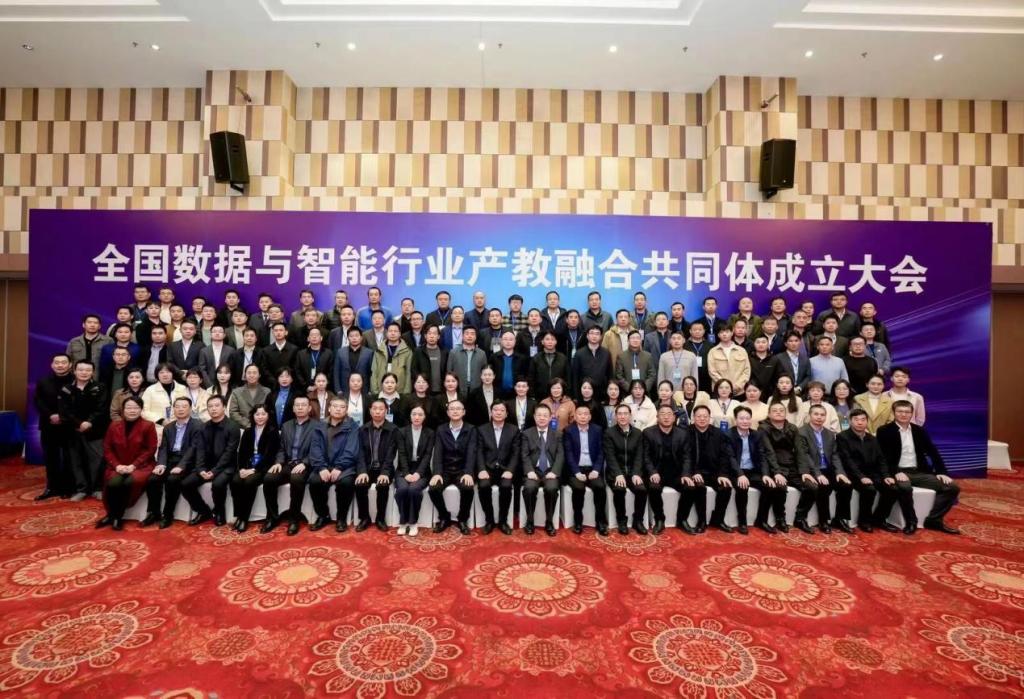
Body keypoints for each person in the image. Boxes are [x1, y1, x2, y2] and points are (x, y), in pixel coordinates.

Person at [876, 401, 960, 534]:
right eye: (900, 411)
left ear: (912, 414)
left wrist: (941, 472)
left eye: (907, 412)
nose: (903, 414)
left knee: (952, 487)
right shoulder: (884, 431)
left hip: (919, 472)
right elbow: (882, 457)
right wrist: (895, 472)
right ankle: (911, 522)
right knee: (905, 488)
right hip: (899, 472)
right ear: (894, 413)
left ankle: (934, 520)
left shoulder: (919, 430)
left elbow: (933, 451)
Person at [836, 408, 908, 533]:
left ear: (867, 421)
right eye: (856, 420)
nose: (860, 422)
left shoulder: (872, 438)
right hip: (853, 474)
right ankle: (864, 521)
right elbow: (847, 460)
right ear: (850, 421)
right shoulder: (842, 437)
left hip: (873, 473)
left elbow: (881, 459)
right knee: (869, 489)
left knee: (893, 488)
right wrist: (861, 477)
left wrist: (886, 475)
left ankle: (879, 519)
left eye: (863, 419)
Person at [95, 396, 157, 530]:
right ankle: (111, 514)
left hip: (141, 466)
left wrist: (134, 465)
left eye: (136, 408)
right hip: (118, 465)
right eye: (129, 408)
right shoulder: (114, 425)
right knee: (113, 483)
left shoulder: (148, 425)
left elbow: (151, 449)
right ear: (123, 410)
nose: (132, 411)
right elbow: (107, 448)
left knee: (129, 482)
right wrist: (117, 465)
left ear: (141, 409)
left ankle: (117, 516)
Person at [180, 394, 240, 527]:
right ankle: (203, 511)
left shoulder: (233, 427)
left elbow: (229, 453)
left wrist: (214, 471)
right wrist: (201, 469)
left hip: (226, 466)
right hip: (206, 466)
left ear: (224, 407)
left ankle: (219, 512)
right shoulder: (203, 427)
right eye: (210, 406)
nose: (213, 409)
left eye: (217, 405)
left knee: (217, 484)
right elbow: (199, 450)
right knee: (185, 484)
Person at [143, 397, 203, 528]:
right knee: (153, 479)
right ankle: (153, 512)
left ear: (190, 409)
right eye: (177, 406)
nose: (180, 409)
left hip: (189, 462)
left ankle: (168, 515)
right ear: (173, 409)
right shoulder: (168, 427)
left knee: (172, 480)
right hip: (171, 460)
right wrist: (161, 464)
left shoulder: (198, 426)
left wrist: (181, 466)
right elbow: (163, 448)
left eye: (184, 406)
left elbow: (193, 448)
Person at [270, 395, 327, 535]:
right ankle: (272, 517)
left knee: (296, 479)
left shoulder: (318, 426)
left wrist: (305, 463)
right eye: (297, 405)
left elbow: (318, 449)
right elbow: (281, 448)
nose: (300, 408)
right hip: (288, 463)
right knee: (269, 478)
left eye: (303, 405)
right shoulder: (286, 425)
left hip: (306, 464)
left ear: (309, 408)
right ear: (293, 408)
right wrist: (278, 462)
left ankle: (294, 520)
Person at [680, 405, 738, 534]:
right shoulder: (686, 433)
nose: (702, 419)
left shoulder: (718, 433)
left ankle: (718, 519)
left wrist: (723, 474)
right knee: (699, 487)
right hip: (695, 472)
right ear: (693, 418)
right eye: (699, 416)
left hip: (714, 472)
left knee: (726, 487)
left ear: (710, 418)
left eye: (705, 416)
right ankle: (702, 521)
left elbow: (725, 456)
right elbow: (685, 456)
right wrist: (694, 472)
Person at [795, 404, 850, 534]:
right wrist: (818, 474)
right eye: (816, 414)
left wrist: (840, 472)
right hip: (810, 470)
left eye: (822, 415)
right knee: (823, 486)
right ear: (810, 415)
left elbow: (835, 455)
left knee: (846, 485)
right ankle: (823, 521)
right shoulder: (801, 432)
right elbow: (805, 455)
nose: (819, 417)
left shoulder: (829, 434)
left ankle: (839, 518)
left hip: (827, 469)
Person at [59, 360, 108, 501]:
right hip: (73, 430)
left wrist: (89, 422)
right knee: (76, 461)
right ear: (74, 371)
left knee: (97, 460)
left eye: (88, 370)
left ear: (93, 372)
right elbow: (64, 410)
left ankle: (97, 488)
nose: (84, 373)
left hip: (95, 431)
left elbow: (102, 408)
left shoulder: (100, 387)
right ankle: (82, 489)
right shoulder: (66, 389)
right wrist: (79, 423)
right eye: (80, 370)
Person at [727, 406, 781, 535]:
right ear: (735, 419)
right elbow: (730, 457)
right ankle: (742, 522)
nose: (745, 421)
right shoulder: (728, 434)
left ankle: (761, 520)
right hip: (736, 471)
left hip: (753, 471)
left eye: (747, 418)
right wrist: (740, 474)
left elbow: (762, 456)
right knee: (742, 487)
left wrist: (766, 475)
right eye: (741, 418)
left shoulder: (756, 435)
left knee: (770, 486)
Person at [429, 400, 476, 534]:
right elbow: (438, 453)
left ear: (464, 412)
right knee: (433, 488)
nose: (455, 411)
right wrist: (437, 473)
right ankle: (444, 517)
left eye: (458, 409)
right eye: (452, 409)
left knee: (468, 488)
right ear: (448, 412)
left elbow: (472, 452)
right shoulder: (441, 429)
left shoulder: (471, 429)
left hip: (462, 470)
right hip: (445, 470)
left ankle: (462, 519)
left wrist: (468, 472)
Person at [353, 399, 398, 532]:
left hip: (384, 468)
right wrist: (362, 471)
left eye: (381, 409)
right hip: (367, 468)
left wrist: (385, 473)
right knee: (360, 484)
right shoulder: (363, 429)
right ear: (370, 411)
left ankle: (380, 518)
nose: (377, 411)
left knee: (383, 485)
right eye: (375, 409)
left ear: (386, 411)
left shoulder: (393, 429)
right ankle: (364, 518)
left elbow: (391, 454)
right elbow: (360, 453)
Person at [642, 404, 688, 535]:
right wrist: (652, 472)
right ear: (657, 417)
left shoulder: (682, 434)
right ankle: (659, 519)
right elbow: (646, 457)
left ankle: (682, 520)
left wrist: (685, 474)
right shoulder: (648, 433)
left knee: (690, 487)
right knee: (653, 488)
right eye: (662, 414)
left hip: (675, 473)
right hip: (657, 472)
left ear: (674, 418)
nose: (666, 417)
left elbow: (687, 457)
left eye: (669, 414)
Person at [233, 404, 280, 533]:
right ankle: (238, 515)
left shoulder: (272, 432)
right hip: (247, 466)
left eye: (263, 414)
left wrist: (253, 470)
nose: (260, 417)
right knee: (236, 481)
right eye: (257, 414)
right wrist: (242, 469)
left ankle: (244, 518)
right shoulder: (248, 431)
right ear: (253, 416)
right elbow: (241, 453)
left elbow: (269, 456)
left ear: (268, 416)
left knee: (249, 482)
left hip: (262, 467)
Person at [474, 401, 519, 534]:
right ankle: (489, 520)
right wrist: (481, 469)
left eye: (502, 410)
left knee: (506, 486)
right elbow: (479, 451)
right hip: (487, 468)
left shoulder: (514, 430)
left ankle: (503, 521)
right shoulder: (481, 429)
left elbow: (516, 453)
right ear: (491, 412)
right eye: (495, 410)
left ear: (506, 414)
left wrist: (510, 470)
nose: (498, 413)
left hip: (505, 469)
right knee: (483, 486)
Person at [603, 404, 648, 535]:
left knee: (642, 489)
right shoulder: (609, 433)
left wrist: (636, 473)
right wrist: (618, 474)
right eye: (620, 414)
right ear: (616, 417)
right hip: (616, 472)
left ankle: (638, 521)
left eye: (625, 414)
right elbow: (610, 456)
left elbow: (639, 455)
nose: (622, 416)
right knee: (619, 489)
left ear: (630, 416)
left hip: (633, 472)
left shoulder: (638, 433)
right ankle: (621, 521)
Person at [564, 404, 608, 535]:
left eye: (585, 414)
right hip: (576, 469)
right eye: (580, 414)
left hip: (592, 468)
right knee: (578, 488)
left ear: (590, 416)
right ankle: (578, 521)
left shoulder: (597, 430)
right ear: (575, 416)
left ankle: (600, 521)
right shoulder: (568, 430)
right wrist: (577, 472)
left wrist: (596, 470)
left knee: (600, 487)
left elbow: (601, 452)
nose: (583, 417)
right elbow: (568, 454)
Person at [758, 402, 802, 533]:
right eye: (775, 410)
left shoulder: (792, 428)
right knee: (779, 487)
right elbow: (769, 452)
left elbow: (800, 451)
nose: (778, 412)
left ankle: (800, 518)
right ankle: (780, 518)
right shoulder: (763, 428)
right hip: (774, 466)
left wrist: (804, 471)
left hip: (791, 465)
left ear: (786, 413)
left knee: (812, 487)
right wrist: (777, 472)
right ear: (769, 414)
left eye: (781, 410)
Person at [35, 354, 74, 500]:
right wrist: (50, 415)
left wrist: (62, 416)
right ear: (52, 365)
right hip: (48, 424)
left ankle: (67, 487)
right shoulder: (43, 381)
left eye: (63, 362)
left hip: (68, 425)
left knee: (68, 458)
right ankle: (51, 487)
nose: (60, 365)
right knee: (50, 457)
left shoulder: (75, 381)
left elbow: (76, 404)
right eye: (57, 362)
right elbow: (38, 401)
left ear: (70, 365)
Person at [520, 403, 563, 536]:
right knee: (529, 488)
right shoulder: (527, 434)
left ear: (550, 418)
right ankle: (530, 521)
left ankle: (549, 522)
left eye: (545, 415)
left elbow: (560, 455)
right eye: (539, 415)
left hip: (550, 471)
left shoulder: (557, 434)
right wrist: (529, 471)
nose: (542, 418)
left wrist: (554, 472)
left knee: (552, 489)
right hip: (533, 471)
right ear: (534, 417)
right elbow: (524, 454)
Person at [395, 406, 434, 536]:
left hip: (421, 470)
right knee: (402, 490)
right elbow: (401, 454)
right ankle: (403, 522)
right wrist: (406, 473)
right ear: (410, 416)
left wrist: (418, 473)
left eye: (420, 414)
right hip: (403, 469)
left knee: (413, 490)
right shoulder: (401, 431)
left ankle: (413, 522)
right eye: (414, 414)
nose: (417, 417)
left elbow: (428, 455)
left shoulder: (430, 433)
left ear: (424, 417)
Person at [571, 325, 612, 400]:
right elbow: (575, 377)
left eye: (597, 334)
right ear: (587, 336)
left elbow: (609, 375)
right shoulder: (579, 353)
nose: (594, 336)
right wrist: (575, 396)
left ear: (601, 337)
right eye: (592, 333)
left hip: (602, 394)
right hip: (584, 393)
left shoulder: (606, 353)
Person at [707, 325, 750, 395]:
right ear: (718, 335)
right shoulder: (713, 351)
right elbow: (712, 371)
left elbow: (746, 371)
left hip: (738, 391)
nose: (724, 334)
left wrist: (738, 385)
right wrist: (725, 386)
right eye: (721, 332)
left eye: (727, 332)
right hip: (719, 390)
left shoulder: (742, 350)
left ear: (732, 333)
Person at [371, 322, 412, 394]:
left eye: (395, 331)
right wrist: (375, 391)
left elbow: (408, 373)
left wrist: (406, 392)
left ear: (400, 334)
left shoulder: (407, 351)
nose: (393, 333)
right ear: (387, 333)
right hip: (381, 391)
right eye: (390, 331)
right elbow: (374, 372)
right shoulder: (379, 351)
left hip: (400, 391)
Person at [228, 364, 271, 429]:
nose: (251, 375)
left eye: (254, 373)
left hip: (263, 428)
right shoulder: (236, 392)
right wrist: (248, 424)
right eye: (249, 373)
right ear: (245, 375)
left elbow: (269, 411)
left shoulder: (267, 391)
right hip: (243, 428)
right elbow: (233, 412)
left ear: (259, 375)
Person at [447, 326, 488, 394]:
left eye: (472, 334)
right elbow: (449, 371)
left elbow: (485, 373)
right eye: (467, 333)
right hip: (458, 389)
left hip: (477, 389)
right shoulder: (453, 352)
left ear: (476, 337)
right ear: (462, 336)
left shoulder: (482, 353)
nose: (469, 336)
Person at [529, 331, 570, 399]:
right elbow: (531, 378)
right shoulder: (536, 358)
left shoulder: (563, 358)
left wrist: (566, 394)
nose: (550, 342)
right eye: (547, 339)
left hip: (559, 395)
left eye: (552, 339)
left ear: (556, 342)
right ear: (542, 342)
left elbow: (567, 378)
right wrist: (532, 395)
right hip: (540, 396)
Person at [490, 330, 529, 400]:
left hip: (516, 393)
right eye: (505, 339)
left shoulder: (522, 358)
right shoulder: (494, 357)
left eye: (511, 339)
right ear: (501, 341)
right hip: (498, 393)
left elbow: (525, 375)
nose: (508, 342)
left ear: (515, 341)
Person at [334, 326, 374, 395]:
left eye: (356, 336)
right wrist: (338, 389)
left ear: (361, 338)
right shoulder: (340, 352)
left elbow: (371, 373)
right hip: (344, 389)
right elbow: (336, 372)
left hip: (364, 390)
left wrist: (370, 390)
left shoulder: (369, 353)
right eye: (351, 336)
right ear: (348, 338)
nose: (354, 338)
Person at [411, 325, 449, 396]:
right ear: (425, 336)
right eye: (429, 333)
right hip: (424, 391)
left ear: (438, 336)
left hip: (441, 391)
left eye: (434, 333)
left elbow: (447, 371)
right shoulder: (418, 351)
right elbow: (414, 369)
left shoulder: (444, 352)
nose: (432, 336)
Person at [615, 330, 656, 395]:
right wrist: (630, 389)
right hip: (627, 393)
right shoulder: (621, 356)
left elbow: (652, 374)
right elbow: (619, 375)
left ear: (641, 341)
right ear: (628, 341)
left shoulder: (648, 356)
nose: (635, 340)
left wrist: (644, 389)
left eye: (637, 338)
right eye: (633, 338)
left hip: (645, 393)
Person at [293, 327, 334, 392]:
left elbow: (330, 372)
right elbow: (297, 372)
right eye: (312, 335)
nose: (314, 337)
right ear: (308, 338)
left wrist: (320, 385)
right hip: (305, 390)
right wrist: (306, 386)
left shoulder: (329, 353)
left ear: (321, 338)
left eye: (316, 335)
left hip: (324, 388)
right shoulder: (300, 354)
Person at [262, 323, 298, 389]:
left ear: (286, 332)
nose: (278, 333)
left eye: (281, 330)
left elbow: (295, 368)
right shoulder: (266, 350)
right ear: (273, 333)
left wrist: (286, 379)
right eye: (276, 330)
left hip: (290, 385)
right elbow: (265, 369)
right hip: (272, 384)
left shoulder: (294, 349)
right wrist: (274, 380)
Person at [683, 321, 713, 394]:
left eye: (700, 329)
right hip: (689, 377)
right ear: (690, 331)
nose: (697, 331)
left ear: (704, 331)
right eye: (695, 330)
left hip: (706, 378)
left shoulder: (710, 345)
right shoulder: (684, 345)